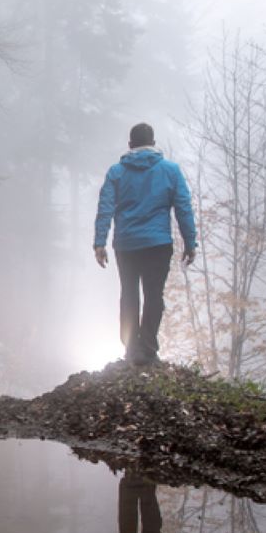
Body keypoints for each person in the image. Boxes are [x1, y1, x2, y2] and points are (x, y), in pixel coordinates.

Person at [93, 123, 198, 367]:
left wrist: (100, 242)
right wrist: (190, 242)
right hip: (158, 244)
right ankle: (148, 348)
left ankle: (131, 348)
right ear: (153, 143)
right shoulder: (170, 171)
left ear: (130, 145)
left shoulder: (116, 172)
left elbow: (105, 208)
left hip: (126, 244)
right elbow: (183, 207)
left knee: (128, 294)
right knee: (154, 295)